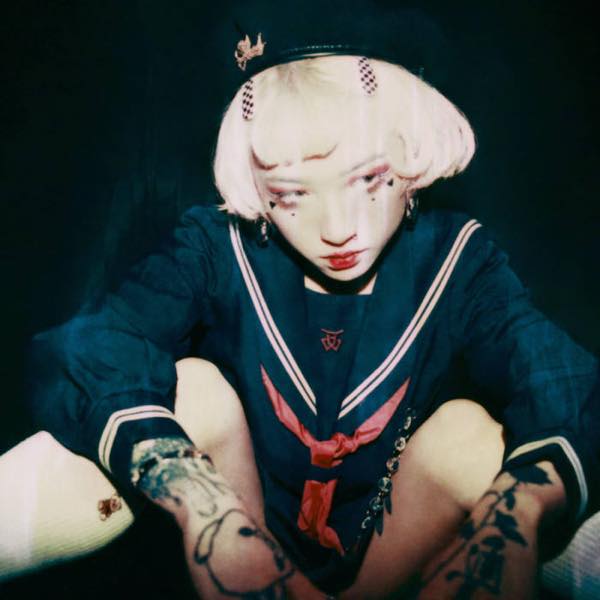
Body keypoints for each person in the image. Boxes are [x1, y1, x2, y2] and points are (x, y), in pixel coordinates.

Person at [1, 3, 599, 598]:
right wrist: (203, 508)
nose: (337, 228)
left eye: (368, 179)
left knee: (470, 437)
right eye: (291, 195)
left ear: (413, 147)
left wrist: (516, 517)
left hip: (396, 565)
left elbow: (558, 379)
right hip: (242, 544)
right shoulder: (216, 246)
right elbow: (94, 346)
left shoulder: (459, 259)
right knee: (192, 392)